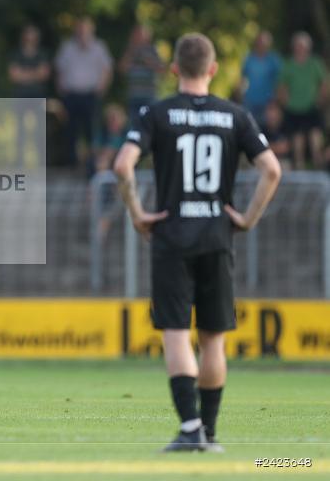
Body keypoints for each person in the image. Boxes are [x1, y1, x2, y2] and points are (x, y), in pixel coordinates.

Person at [113, 33, 281, 452]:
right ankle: (209, 432)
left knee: (175, 333)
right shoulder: (235, 115)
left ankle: (190, 429)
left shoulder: (157, 113)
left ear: (173, 71)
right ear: (212, 69)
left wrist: (137, 213)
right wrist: (246, 218)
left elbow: (122, 166)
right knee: (213, 339)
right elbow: (272, 171)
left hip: (171, 237)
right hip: (216, 237)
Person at [55, 17, 113, 167]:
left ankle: (92, 164)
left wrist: (100, 90)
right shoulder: (67, 47)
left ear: (91, 30)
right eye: (80, 29)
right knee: (70, 131)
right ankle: (70, 163)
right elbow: (59, 70)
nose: (82, 32)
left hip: (90, 95)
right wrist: (62, 90)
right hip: (71, 95)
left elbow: (107, 70)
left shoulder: (99, 47)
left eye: (85, 29)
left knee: (91, 131)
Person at [277, 31, 329, 169]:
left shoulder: (315, 63)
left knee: (315, 135)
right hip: (294, 107)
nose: (300, 48)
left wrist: (320, 98)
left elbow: (324, 82)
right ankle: (299, 166)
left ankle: (318, 165)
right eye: (298, 45)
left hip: (312, 106)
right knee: (297, 137)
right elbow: (282, 86)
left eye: (303, 45)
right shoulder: (289, 64)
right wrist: (285, 101)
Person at [9, 24, 50, 168]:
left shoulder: (42, 54)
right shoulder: (17, 54)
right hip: (21, 97)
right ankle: (19, 162)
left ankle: (41, 162)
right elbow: (14, 75)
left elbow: (44, 74)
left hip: (38, 97)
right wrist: (34, 74)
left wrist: (24, 74)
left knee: (39, 129)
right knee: (21, 130)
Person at [238, 31, 282, 128]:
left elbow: (279, 81)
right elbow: (243, 79)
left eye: (265, 43)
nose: (262, 45)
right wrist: (240, 95)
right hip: (249, 101)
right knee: (250, 128)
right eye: (260, 42)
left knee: (267, 130)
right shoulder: (248, 58)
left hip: (268, 102)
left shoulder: (274, 60)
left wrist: (276, 100)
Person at [118, 24, 165, 115]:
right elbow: (121, 69)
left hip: (150, 95)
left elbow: (161, 70)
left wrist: (147, 60)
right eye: (136, 34)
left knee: (150, 122)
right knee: (134, 123)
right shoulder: (129, 50)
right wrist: (131, 52)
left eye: (141, 34)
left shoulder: (153, 50)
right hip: (133, 95)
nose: (138, 37)